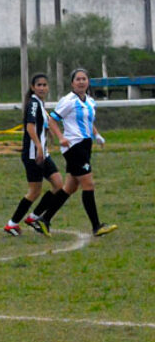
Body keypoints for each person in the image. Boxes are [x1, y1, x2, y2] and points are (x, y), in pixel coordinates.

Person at [34, 68, 117, 238]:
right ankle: (96, 226)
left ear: (88, 82)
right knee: (88, 185)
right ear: (72, 83)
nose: (81, 82)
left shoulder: (90, 101)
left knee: (70, 187)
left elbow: (88, 121)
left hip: (85, 145)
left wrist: (97, 135)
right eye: (77, 79)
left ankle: (44, 219)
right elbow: (52, 120)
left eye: (84, 79)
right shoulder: (68, 100)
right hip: (74, 146)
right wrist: (61, 137)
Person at [5, 73, 67, 237]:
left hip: (42, 153)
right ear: (33, 87)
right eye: (38, 85)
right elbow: (30, 127)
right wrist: (39, 146)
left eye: (44, 85)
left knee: (59, 185)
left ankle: (33, 217)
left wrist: (48, 137)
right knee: (34, 191)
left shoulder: (39, 104)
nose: (42, 87)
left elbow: (42, 125)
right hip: (34, 155)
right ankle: (12, 224)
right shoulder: (33, 103)